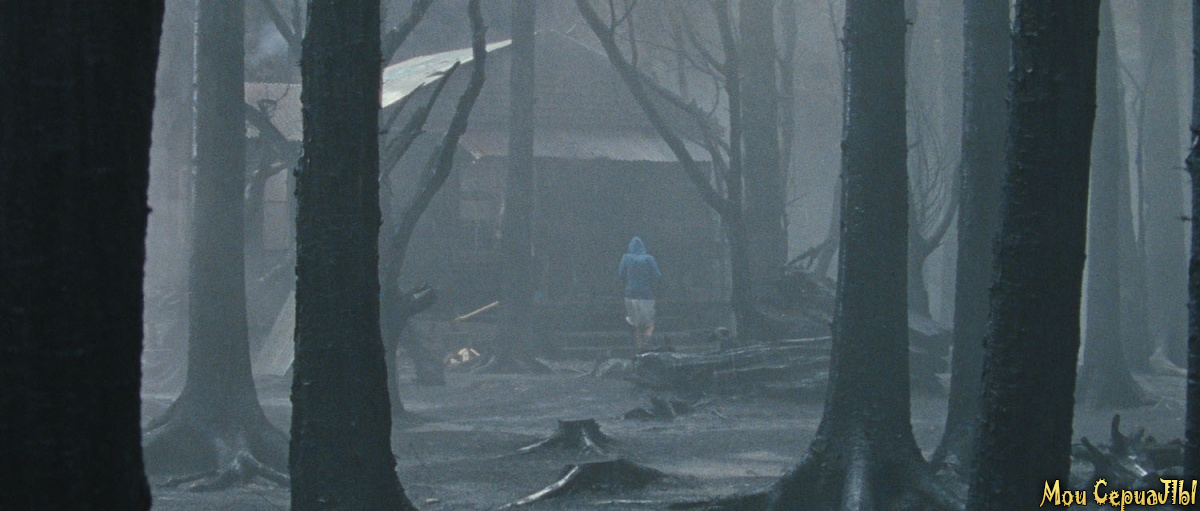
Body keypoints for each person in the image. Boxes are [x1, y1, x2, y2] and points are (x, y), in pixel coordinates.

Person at [618, 236, 662, 349]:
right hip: (646, 295)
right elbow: (657, 275)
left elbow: (621, 274)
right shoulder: (649, 259)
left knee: (636, 325)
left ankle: (639, 349)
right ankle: (647, 342)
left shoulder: (626, 258)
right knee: (649, 324)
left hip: (630, 294)